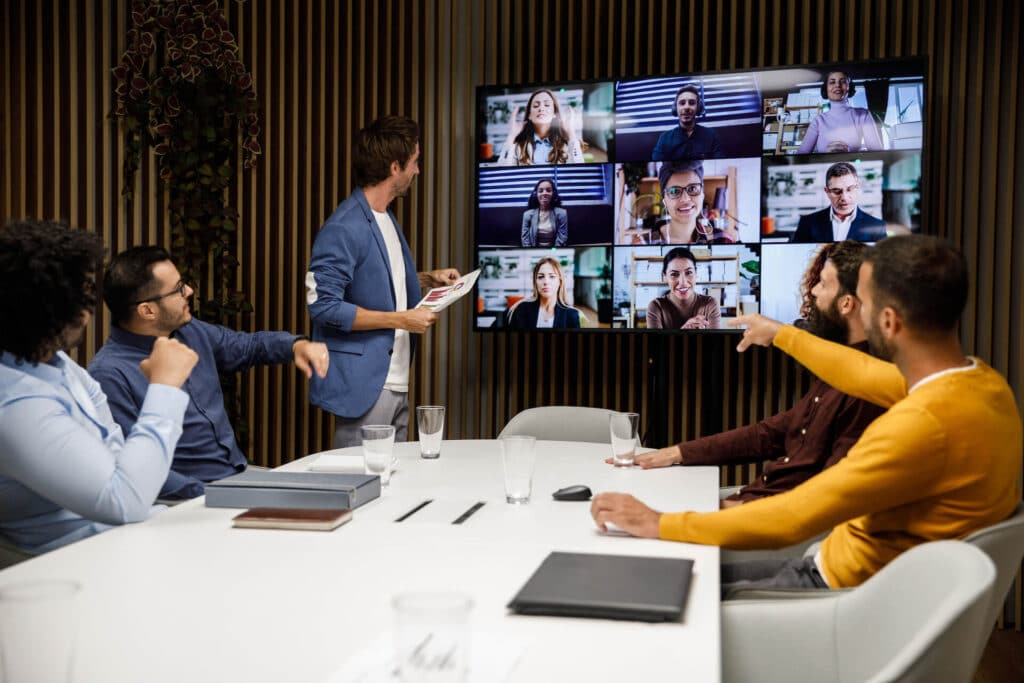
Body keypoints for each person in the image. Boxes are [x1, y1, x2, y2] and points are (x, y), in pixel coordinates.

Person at [591, 235, 1022, 596]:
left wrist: (659, 522)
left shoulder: (921, 425)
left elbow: (796, 517)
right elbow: (861, 370)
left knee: (656, 585)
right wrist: (781, 334)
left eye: (865, 302)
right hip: (847, 571)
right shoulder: (980, 385)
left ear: (888, 322)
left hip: (836, 593)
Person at [624, 241, 884, 507]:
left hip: (760, 523)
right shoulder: (838, 371)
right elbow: (770, 434)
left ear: (846, 304)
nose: (814, 291)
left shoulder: (866, 390)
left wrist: (717, 514)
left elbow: (824, 502)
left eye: (824, 284)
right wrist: (676, 452)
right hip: (750, 503)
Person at [0, 221, 199, 553]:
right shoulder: (14, 403)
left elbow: (121, 462)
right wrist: (165, 388)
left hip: (132, 537)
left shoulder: (65, 369)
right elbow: (125, 501)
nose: (88, 309)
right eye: (80, 295)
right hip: (81, 562)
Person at [88, 246, 329, 500]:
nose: (190, 291)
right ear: (147, 310)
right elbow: (134, 465)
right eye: (179, 288)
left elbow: (246, 346)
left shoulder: (189, 331)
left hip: (235, 478)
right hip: (180, 502)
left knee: (328, 500)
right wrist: (212, 494)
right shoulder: (109, 374)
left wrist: (296, 346)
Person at [306, 115, 460, 448]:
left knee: (393, 491)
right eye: (414, 162)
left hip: (397, 383)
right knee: (360, 490)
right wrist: (402, 320)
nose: (417, 171)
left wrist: (427, 279)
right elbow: (323, 306)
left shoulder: (386, 218)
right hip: (364, 388)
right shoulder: (344, 226)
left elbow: (379, 286)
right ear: (394, 167)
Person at [791, 162, 886, 243]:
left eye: (850, 189)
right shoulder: (807, 223)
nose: (844, 197)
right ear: (827, 191)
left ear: (858, 187)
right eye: (837, 191)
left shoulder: (877, 226)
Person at [797, 69, 884, 154]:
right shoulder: (818, 121)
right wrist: (824, 157)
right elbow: (800, 157)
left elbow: (877, 153)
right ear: (826, 89)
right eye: (832, 82)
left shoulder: (863, 115)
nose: (837, 85)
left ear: (849, 87)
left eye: (843, 81)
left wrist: (848, 155)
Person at [654, 160, 737, 244]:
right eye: (674, 191)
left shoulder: (723, 240)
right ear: (664, 201)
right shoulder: (643, 243)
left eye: (693, 188)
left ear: (702, 195)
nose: (685, 199)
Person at [496, 89, 584, 166]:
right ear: (529, 115)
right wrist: (511, 136)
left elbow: (580, 174)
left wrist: (571, 134)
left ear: (554, 113)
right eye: (535, 106)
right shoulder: (518, 147)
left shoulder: (566, 145)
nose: (541, 108)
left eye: (547, 105)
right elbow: (501, 175)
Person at [645, 247, 720, 330]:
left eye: (688, 273)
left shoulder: (709, 304)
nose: (683, 282)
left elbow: (715, 342)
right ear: (665, 277)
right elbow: (654, 343)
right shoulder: (656, 307)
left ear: (696, 273)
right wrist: (684, 332)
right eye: (674, 274)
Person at [652, 84, 723, 161]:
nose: (686, 107)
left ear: (698, 108)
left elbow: (720, 161)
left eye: (692, 103)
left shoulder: (711, 135)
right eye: (682, 103)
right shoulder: (664, 138)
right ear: (675, 108)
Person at [507, 258, 581, 329]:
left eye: (552, 276)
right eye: (540, 277)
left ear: (560, 282)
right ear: (535, 282)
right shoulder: (521, 309)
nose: (546, 282)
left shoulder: (572, 314)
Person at [520, 178, 568, 247]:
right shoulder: (527, 215)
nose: (544, 193)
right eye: (540, 191)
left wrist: (553, 252)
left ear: (553, 194)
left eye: (548, 190)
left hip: (554, 252)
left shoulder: (562, 213)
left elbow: (562, 238)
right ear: (536, 194)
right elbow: (525, 240)